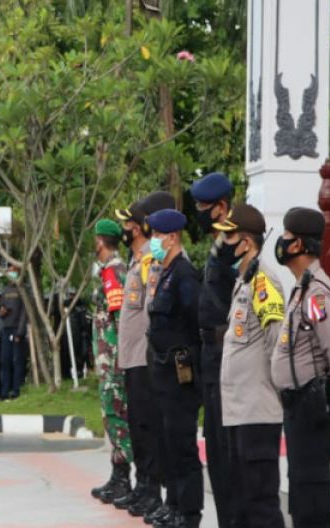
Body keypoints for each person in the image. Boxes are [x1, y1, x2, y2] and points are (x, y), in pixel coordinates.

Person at [270, 207, 330, 528]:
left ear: (300, 245)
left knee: (313, 500)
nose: (281, 243)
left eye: (287, 238)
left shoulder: (317, 293)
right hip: (297, 408)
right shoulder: (301, 288)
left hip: (312, 407)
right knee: (302, 498)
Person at [214, 204, 284, 528]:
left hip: (258, 411)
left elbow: (275, 342)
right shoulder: (243, 282)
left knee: (261, 507)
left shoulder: (263, 282)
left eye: (229, 236)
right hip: (238, 411)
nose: (224, 242)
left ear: (246, 241)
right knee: (241, 505)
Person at [112, 191, 172, 517]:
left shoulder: (151, 259)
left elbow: (152, 310)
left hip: (144, 357)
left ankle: (152, 489)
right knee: (138, 425)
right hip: (132, 356)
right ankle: (143, 485)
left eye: (131, 221)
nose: (127, 228)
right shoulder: (139, 259)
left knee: (148, 427)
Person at [144, 207, 202, 528]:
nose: (152, 240)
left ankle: (189, 512)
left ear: (172, 237)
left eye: (156, 235)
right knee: (167, 443)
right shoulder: (163, 272)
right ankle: (173, 504)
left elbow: (196, 323)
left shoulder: (183, 275)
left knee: (182, 445)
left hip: (181, 375)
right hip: (163, 374)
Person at [189, 171, 237, 528]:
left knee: (228, 454)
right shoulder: (220, 243)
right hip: (210, 356)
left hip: (227, 356)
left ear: (222, 207)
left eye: (205, 208)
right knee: (216, 452)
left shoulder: (236, 245)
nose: (200, 214)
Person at [88, 218, 133, 505]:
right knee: (111, 417)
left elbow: (119, 318)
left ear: (101, 241)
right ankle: (118, 476)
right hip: (109, 360)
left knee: (116, 417)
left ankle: (123, 479)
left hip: (114, 361)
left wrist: (115, 362)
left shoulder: (113, 271)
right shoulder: (109, 270)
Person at [0, 277, 27, 400]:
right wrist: (3, 312)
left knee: (17, 361)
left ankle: (16, 390)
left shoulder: (22, 290)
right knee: (5, 361)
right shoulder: (5, 291)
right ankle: (4, 392)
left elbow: (24, 313)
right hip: (6, 329)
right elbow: (1, 310)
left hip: (17, 330)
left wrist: (20, 333)